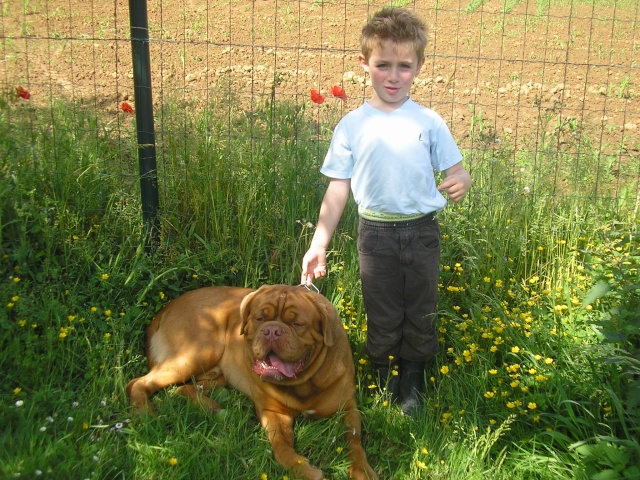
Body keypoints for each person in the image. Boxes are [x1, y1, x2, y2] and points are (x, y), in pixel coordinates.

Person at [300, 7, 471, 416]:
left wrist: (461, 181)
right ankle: (382, 371)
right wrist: (318, 244)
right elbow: (338, 188)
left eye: (404, 66)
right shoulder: (352, 126)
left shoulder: (429, 122)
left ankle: (413, 374)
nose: (393, 76)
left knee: (420, 305)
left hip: (422, 231)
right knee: (383, 309)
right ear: (364, 65)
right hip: (375, 235)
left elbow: (457, 170)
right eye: (383, 65)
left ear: (419, 66)